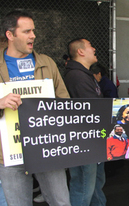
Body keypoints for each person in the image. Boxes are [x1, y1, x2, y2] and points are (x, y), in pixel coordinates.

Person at [0, 10, 71, 206]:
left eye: (34, 31)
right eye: (27, 31)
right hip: (9, 151)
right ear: (10, 35)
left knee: (61, 202)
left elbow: (64, 100)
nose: (33, 36)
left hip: (46, 146)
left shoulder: (46, 62)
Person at [64, 38, 106, 206]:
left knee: (95, 183)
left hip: (93, 139)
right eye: (90, 46)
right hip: (84, 142)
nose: (94, 48)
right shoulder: (77, 76)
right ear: (80, 52)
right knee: (83, 186)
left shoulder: (84, 74)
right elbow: (92, 108)